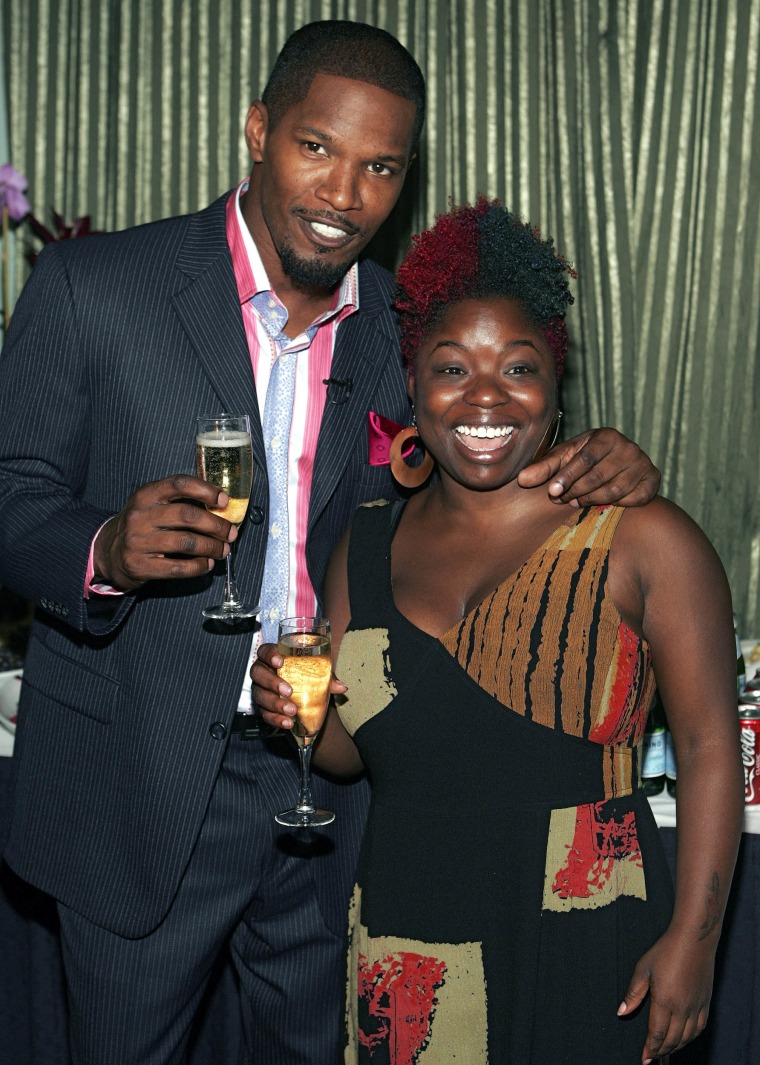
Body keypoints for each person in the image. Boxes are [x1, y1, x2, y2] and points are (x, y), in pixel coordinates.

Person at [0, 20, 661, 1065]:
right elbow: (11, 493)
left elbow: (488, 465)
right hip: (140, 778)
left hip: (343, 786)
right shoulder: (97, 291)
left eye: (379, 167)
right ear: (257, 131)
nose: (342, 194)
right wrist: (103, 551)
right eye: (317, 148)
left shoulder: (409, 334)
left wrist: (605, 472)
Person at [256, 199, 744, 1064]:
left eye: (517, 367)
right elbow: (348, 753)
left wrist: (696, 943)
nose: (484, 396)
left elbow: (710, 748)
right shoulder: (366, 543)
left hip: (588, 932)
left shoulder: (640, 537)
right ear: (413, 387)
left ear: (555, 386)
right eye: (452, 368)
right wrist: (291, 713)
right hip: (411, 941)